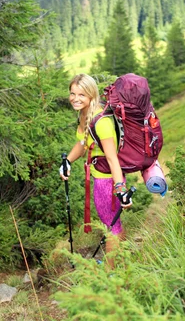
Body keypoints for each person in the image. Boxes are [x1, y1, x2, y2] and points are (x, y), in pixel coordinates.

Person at [59, 74, 130, 261]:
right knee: (113, 223)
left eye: (81, 94)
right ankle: (122, 262)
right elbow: (82, 144)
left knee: (111, 226)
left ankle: (111, 273)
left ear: (91, 95)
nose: (75, 98)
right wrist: (68, 161)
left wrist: (120, 189)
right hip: (102, 177)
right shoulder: (85, 114)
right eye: (72, 93)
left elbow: (112, 158)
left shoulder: (102, 122)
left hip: (108, 180)